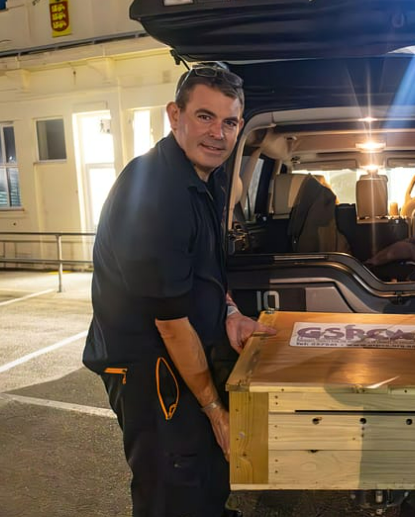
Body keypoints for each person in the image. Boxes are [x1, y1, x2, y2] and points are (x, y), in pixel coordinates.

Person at [83, 62, 276, 517]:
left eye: (229, 122)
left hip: (186, 354)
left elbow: (205, 275)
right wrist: (216, 411)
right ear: (175, 116)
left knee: (206, 476)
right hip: (151, 370)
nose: (217, 133)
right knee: (172, 487)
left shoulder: (203, 181)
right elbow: (170, 324)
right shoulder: (155, 190)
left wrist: (229, 313)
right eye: (204, 116)